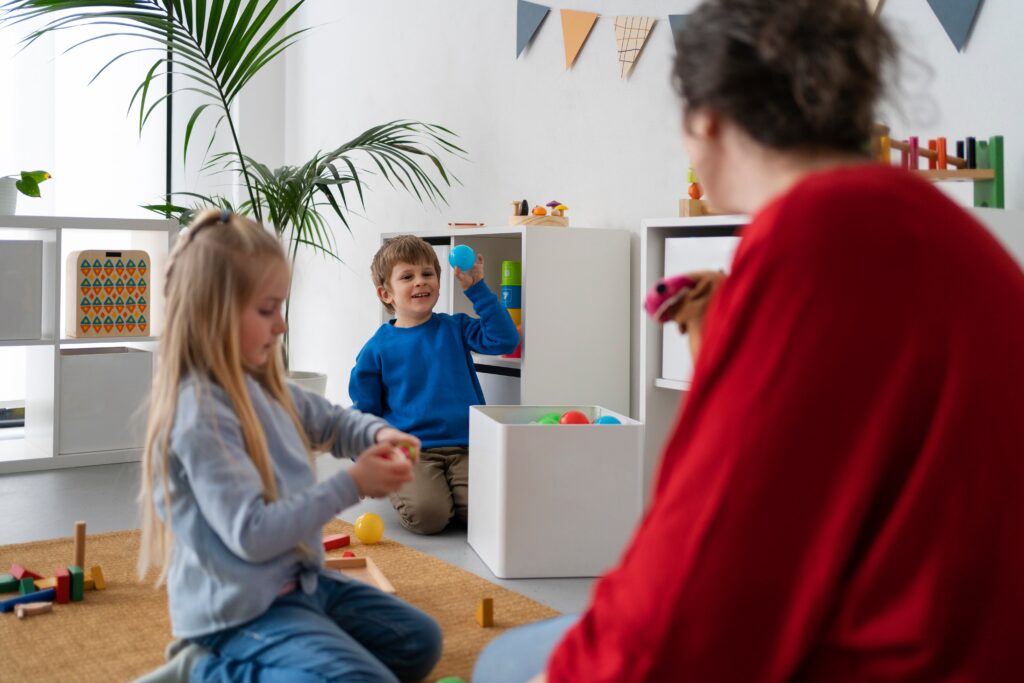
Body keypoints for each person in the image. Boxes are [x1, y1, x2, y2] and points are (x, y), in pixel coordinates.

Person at [474, 0, 1024, 680]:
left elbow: (705, 573)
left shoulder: (816, 233)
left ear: (705, 117)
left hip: (898, 654)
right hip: (973, 633)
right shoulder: (940, 225)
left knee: (510, 660)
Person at [135, 209, 441, 683]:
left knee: (420, 643)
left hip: (298, 585)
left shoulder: (262, 385)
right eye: (267, 310)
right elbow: (253, 533)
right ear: (212, 314)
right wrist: (352, 483)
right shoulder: (200, 414)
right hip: (239, 613)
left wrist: (379, 434)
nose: (281, 325)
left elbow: (333, 421)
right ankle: (206, 667)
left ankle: (297, 644)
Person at [350, 235, 519, 534]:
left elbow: (504, 340)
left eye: (427, 273)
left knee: (486, 512)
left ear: (439, 283)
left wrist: (477, 289)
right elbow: (365, 410)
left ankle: (448, 494)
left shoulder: (456, 327)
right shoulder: (376, 349)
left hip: (466, 446)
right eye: (407, 277)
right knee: (429, 517)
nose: (420, 281)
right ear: (386, 294)